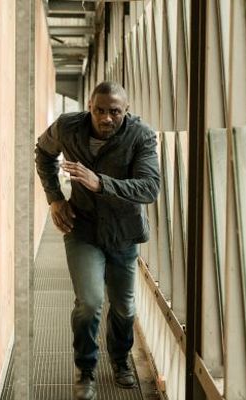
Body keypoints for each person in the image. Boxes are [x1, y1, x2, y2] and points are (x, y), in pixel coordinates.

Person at [35, 81, 160, 400]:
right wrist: (55, 198)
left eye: (114, 112)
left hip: (123, 234)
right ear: (89, 106)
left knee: (124, 307)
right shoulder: (67, 128)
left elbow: (149, 187)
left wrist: (99, 183)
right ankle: (86, 369)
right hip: (82, 229)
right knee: (89, 302)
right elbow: (43, 152)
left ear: (126, 111)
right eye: (99, 110)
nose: (106, 118)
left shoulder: (141, 136)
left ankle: (120, 360)